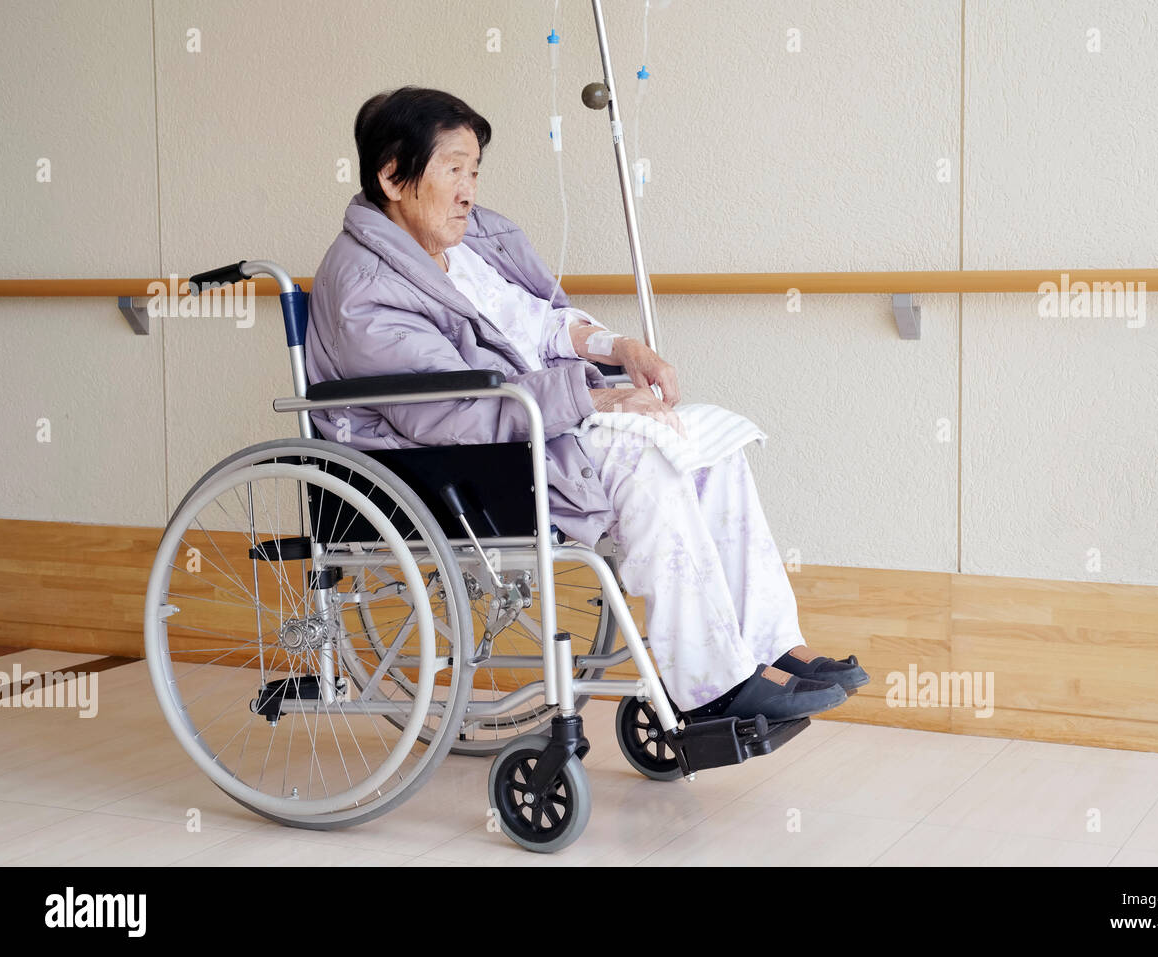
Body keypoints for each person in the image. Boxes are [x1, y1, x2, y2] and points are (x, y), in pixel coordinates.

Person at [305, 86, 869, 721]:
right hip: (446, 458)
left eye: (474, 171)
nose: (468, 190)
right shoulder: (364, 285)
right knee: (643, 455)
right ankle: (715, 689)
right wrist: (595, 398)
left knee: (707, 440)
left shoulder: (469, 242)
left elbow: (540, 323)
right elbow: (450, 410)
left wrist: (619, 348)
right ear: (392, 177)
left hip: (525, 422)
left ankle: (770, 646)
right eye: (453, 169)